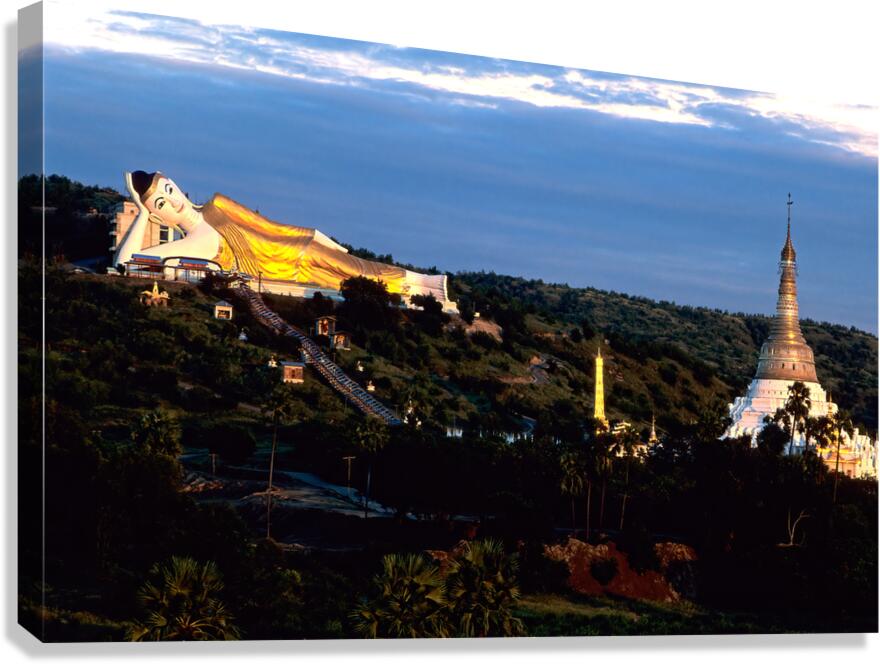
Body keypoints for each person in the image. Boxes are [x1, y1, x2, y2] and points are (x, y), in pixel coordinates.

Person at [112, 170, 454, 309]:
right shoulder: (192, 243)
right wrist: (141, 213)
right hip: (283, 274)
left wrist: (315, 235)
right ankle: (420, 294)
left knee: (359, 268)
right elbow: (125, 264)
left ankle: (426, 283)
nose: (173, 202)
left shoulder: (217, 204)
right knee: (349, 283)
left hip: (293, 249)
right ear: (159, 216)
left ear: (175, 183)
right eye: (161, 205)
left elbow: (265, 224)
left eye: (168, 190)